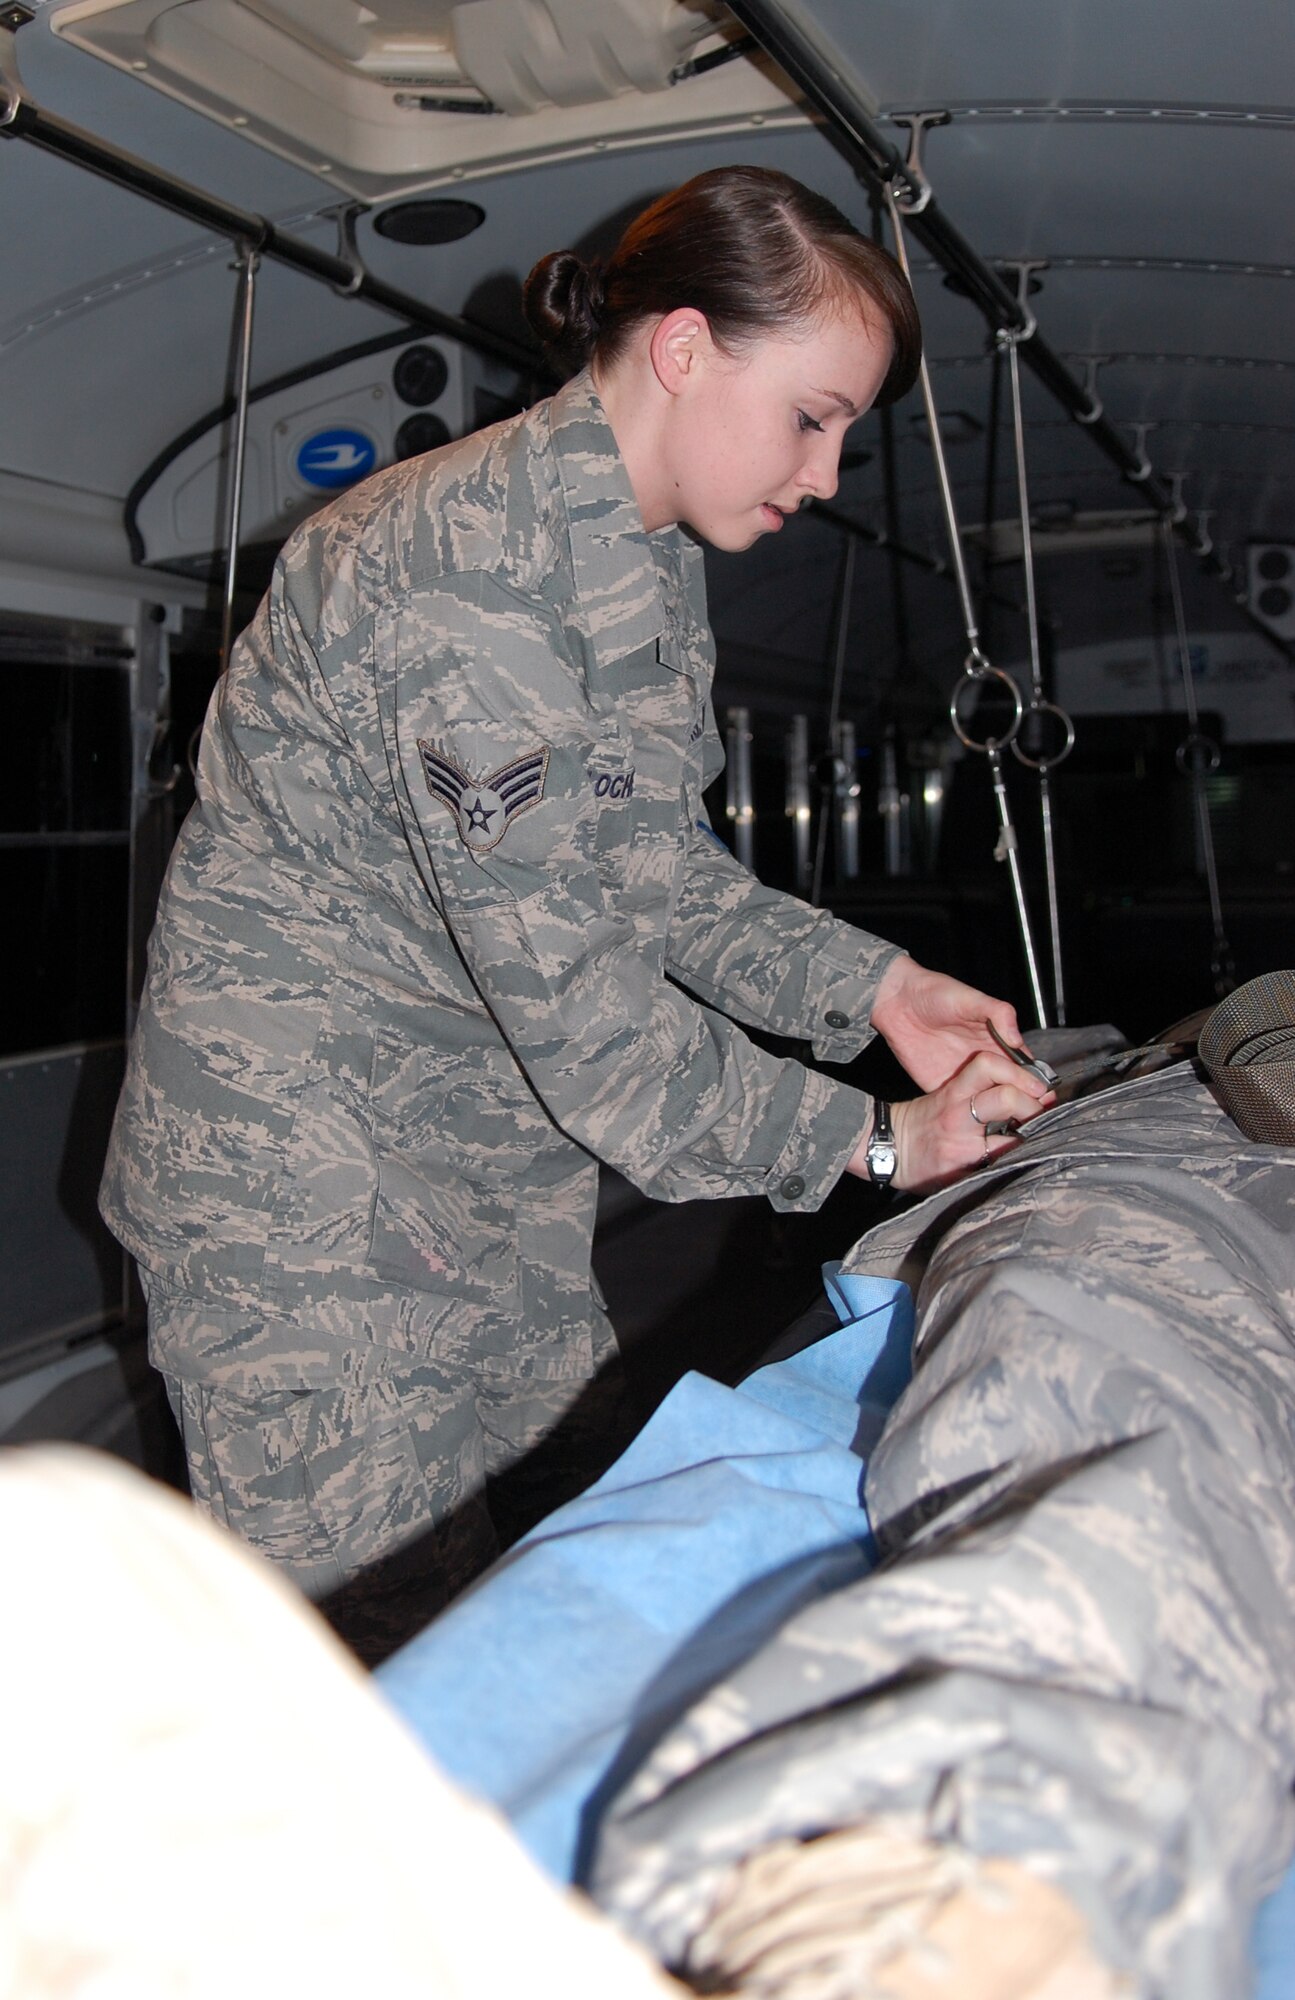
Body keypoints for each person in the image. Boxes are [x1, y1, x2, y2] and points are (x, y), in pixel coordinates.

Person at [99, 164, 1051, 1660]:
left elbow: (659, 868)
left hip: (477, 1180)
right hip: (308, 1210)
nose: (823, 476)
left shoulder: (641, 563)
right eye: (811, 417)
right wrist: (875, 1142)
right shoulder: (462, 572)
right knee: (390, 1666)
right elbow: (590, 1020)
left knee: (580, 1560)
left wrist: (877, 990)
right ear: (684, 348)